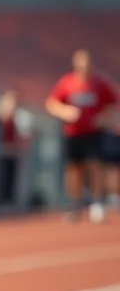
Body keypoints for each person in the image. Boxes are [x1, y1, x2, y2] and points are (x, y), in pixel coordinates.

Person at [45, 49, 117, 223]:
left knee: (95, 166)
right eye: (80, 65)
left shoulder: (100, 83)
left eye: (87, 65)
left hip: (94, 133)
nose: (84, 69)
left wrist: (103, 118)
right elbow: (51, 103)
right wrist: (65, 111)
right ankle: (75, 205)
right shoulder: (67, 82)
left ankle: (97, 204)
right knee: (74, 169)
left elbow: (114, 104)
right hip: (73, 133)